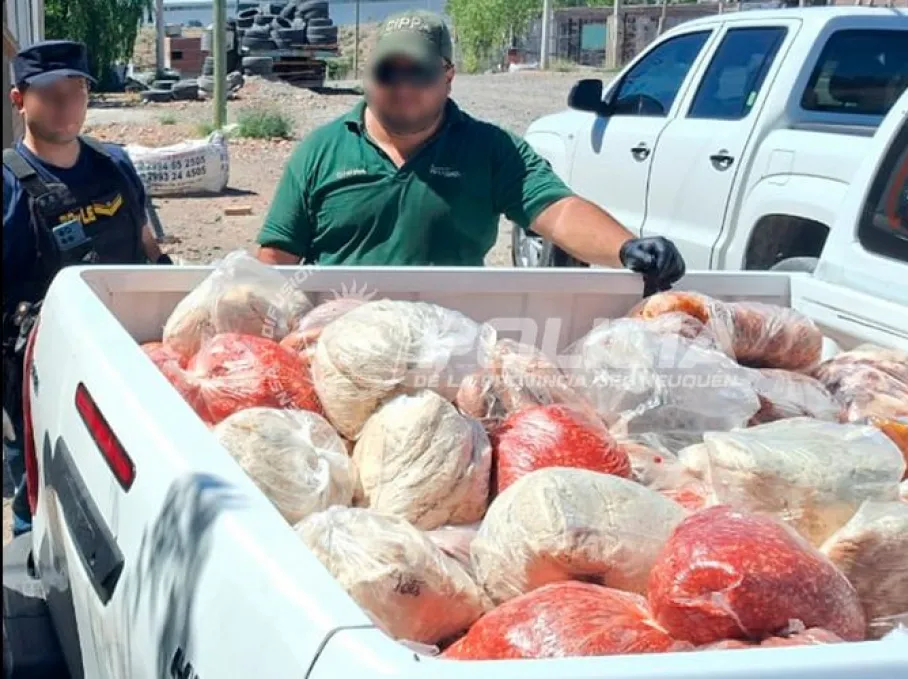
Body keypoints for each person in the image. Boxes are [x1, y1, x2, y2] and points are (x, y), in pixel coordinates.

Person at [256, 10, 685, 291]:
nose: (402, 87)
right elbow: (276, 258)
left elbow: (557, 211)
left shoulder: (490, 149)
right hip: (339, 348)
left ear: (448, 76)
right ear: (369, 77)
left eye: (419, 72)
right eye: (388, 72)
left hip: (452, 342)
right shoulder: (321, 150)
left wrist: (626, 249)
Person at [2, 40, 172, 536]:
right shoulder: (7, 184)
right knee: (38, 489)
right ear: (19, 99)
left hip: (125, 359)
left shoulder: (115, 163)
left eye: (76, 90)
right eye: (49, 92)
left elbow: (145, 242)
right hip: (39, 368)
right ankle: (32, 575)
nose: (65, 104)